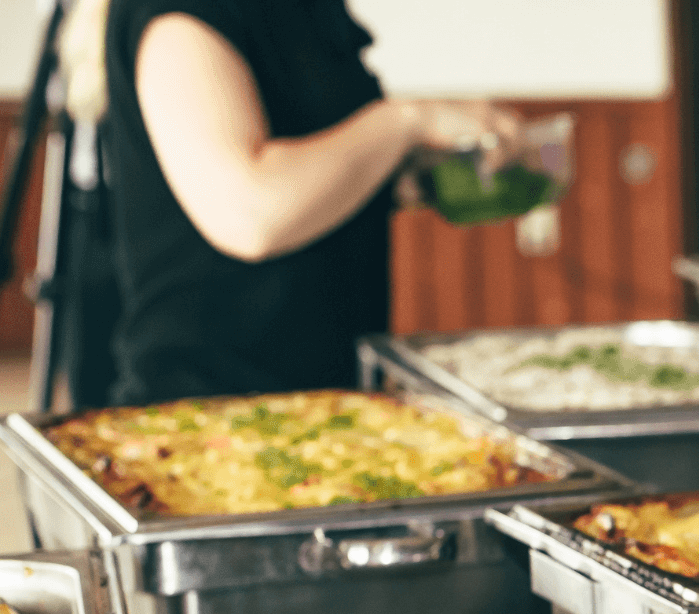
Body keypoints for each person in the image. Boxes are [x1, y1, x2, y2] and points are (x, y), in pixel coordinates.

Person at [101, 0, 522, 405]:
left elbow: (323, 168)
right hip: (212, 408)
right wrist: (410, 120)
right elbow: (249, 214)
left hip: (331, 391)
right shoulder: (178, 9)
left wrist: (427, 173)